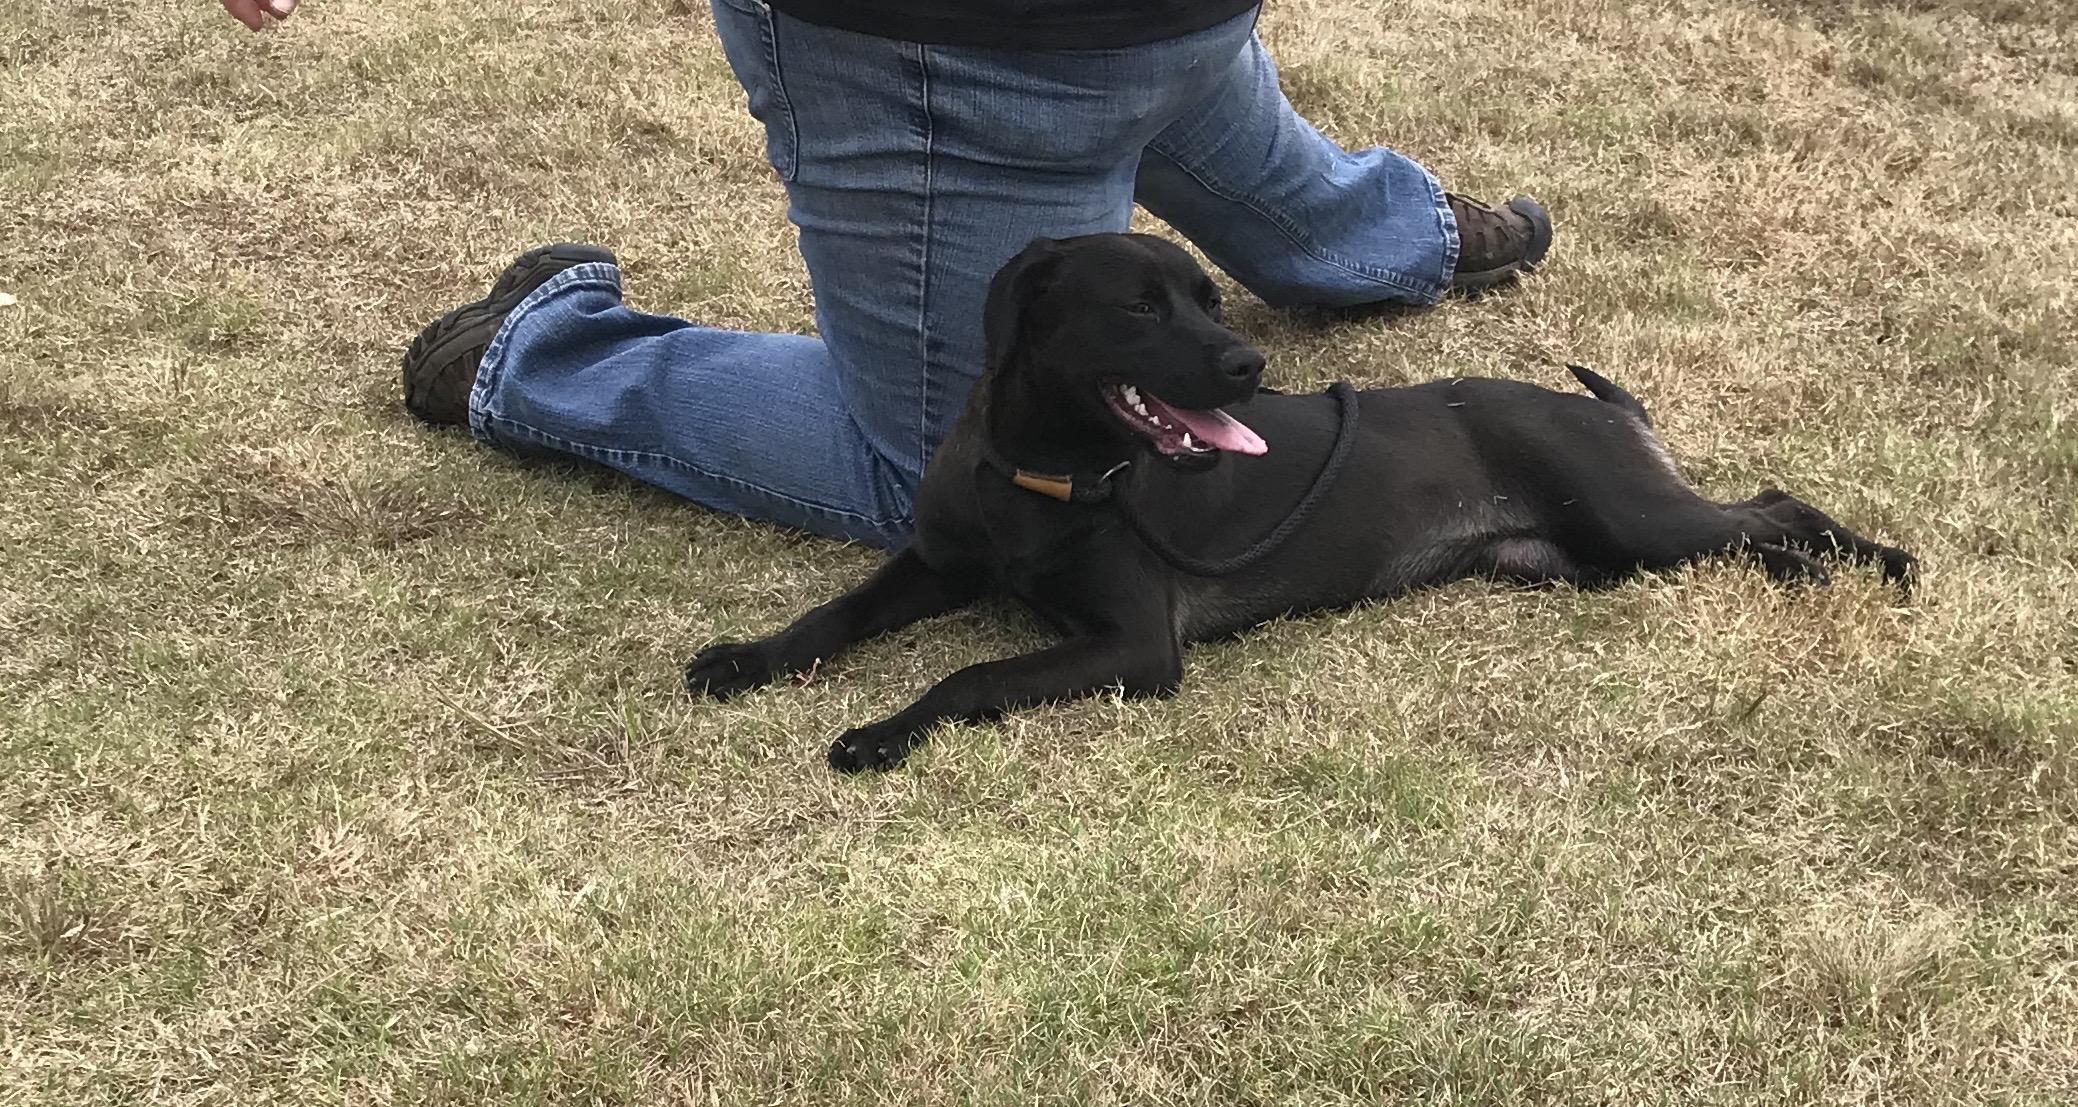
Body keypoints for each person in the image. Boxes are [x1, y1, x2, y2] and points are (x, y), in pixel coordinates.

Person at [222, 0, 1552, 548]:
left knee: (1170, 81)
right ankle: (539, 348)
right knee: (971, 463)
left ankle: (1367, 236)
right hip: (947, 55)